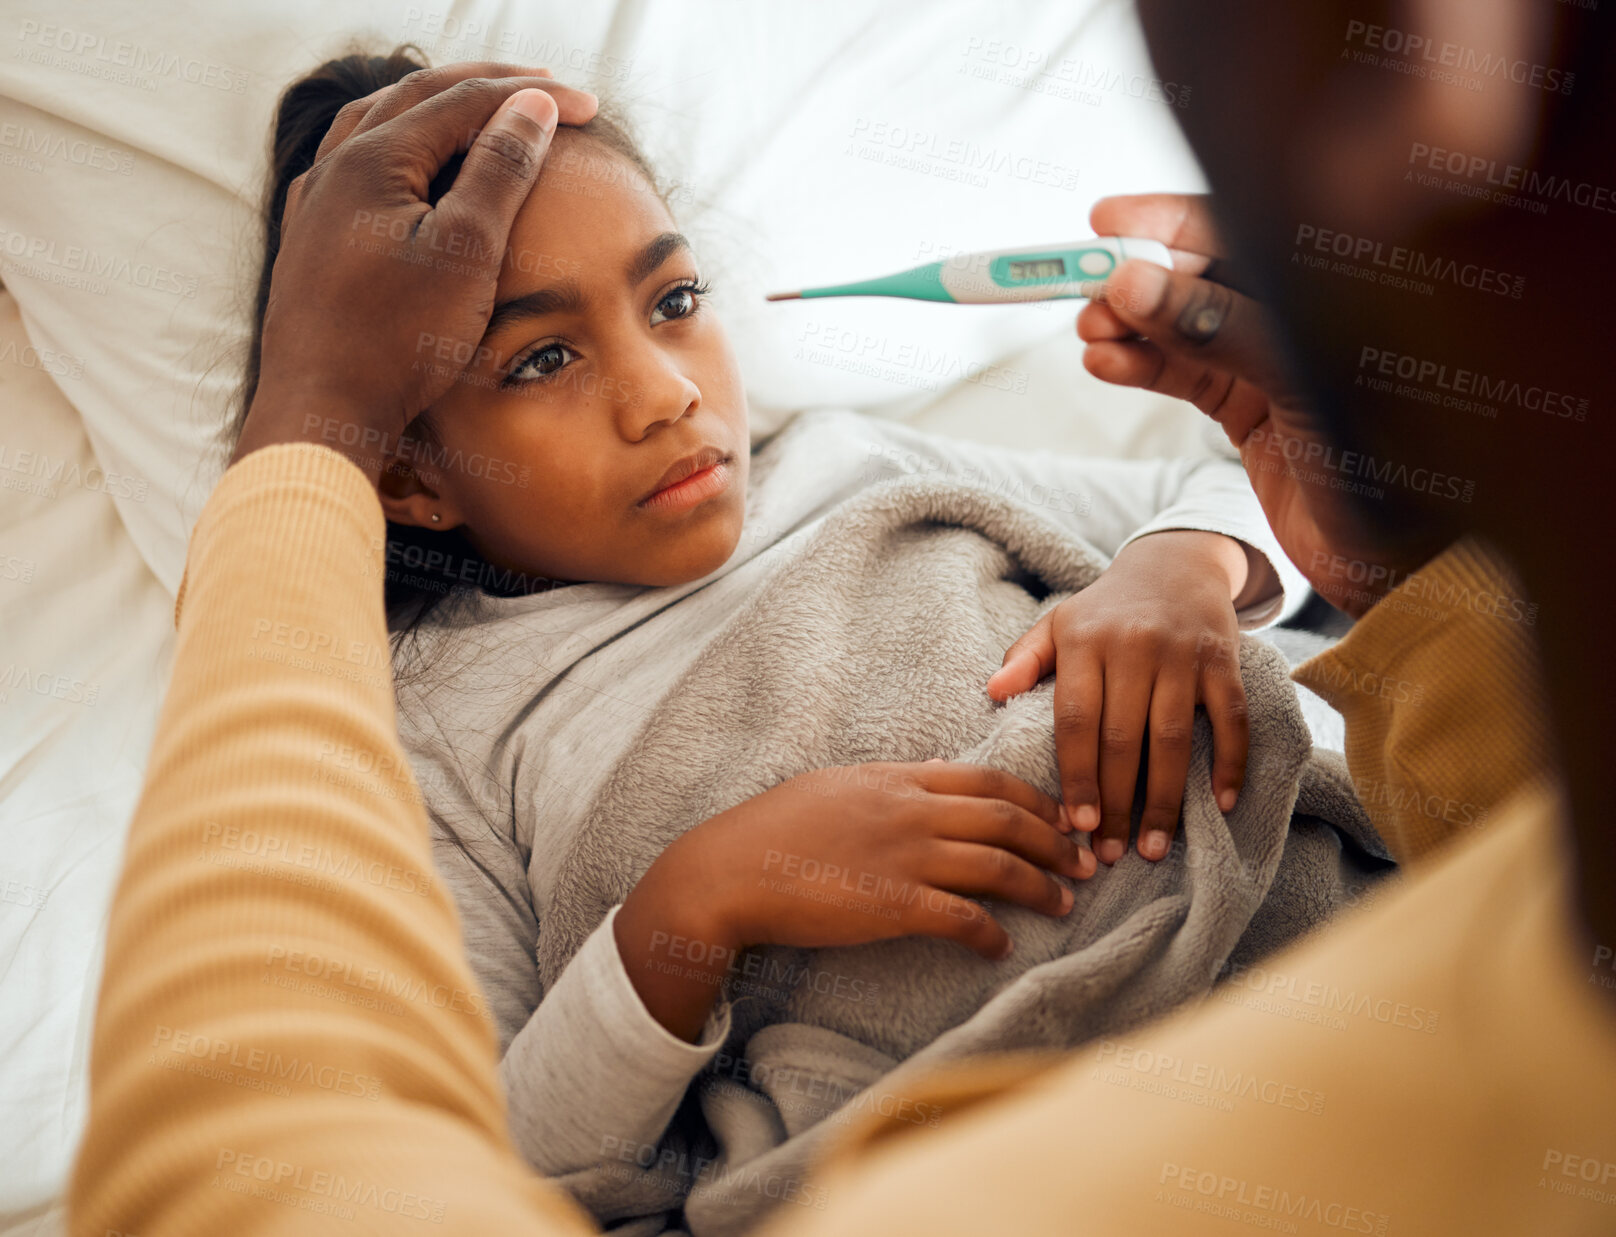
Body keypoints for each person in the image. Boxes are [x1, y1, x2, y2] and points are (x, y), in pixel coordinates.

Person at [68, 0, 1616, 1231]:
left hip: (1322, 921)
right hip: (968, 1122)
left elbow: (1231, 489)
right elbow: (494, 1146)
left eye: (673, 302)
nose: (667, 387)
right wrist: (682, 920)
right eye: (541, 362)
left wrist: (1184, 571)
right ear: (404, 480)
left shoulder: (852, 462)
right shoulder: (439, 734)